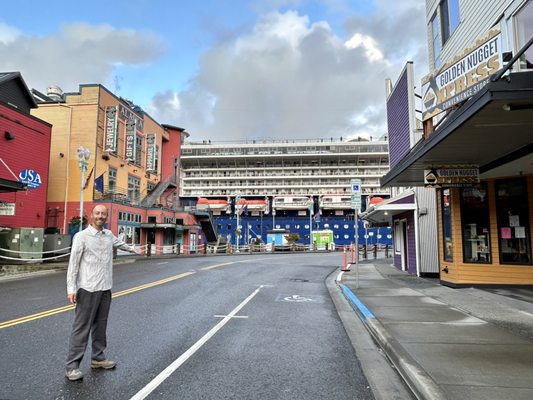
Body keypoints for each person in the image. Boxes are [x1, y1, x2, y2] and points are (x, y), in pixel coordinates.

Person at [65, 204, 143, 381]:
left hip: (105, 288)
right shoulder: (81, 237)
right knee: (81, 328)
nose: (100, 216)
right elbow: (73, 264)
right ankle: (72, 366)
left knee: (100, 326)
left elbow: (120, 244)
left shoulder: (108, 235)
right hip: (88, 288)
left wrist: (134, 249)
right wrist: (71, 288)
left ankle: (98, 358)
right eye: (97, 213)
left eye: (103, 214)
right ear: (91, 215)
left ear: (106, 216)